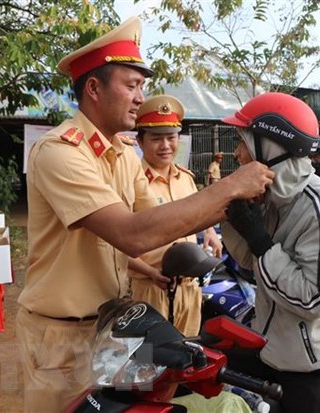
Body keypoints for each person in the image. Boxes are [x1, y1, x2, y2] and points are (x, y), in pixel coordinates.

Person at [16, 16, 273, 412]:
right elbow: (132, 234)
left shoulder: (122, 155)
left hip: (113, 329)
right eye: (131, 85)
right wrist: (230, 185)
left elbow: (163, 224)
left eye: (142, 87)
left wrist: (231, 212)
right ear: (94, 88)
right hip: (62, 336)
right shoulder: (60, 152)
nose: (140, 97)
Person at [220, 92, 320, 413]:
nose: (237, 153)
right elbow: (248, 261)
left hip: (315, 363)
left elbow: (313, 300)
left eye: (243, 141)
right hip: (273, 349)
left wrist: (260, 241)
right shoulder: (275, 197)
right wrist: (235, 217)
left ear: (271, 147)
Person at [128, 94, 222, 337]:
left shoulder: (186, 178)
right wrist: (149, 272)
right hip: (151, 288)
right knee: (148, 361)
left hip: (190, 288)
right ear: (140, 141)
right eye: (156, 139)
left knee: (187, 354)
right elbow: (113, 243)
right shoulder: (130, 182)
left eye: (171, 138)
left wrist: (210, 231)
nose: (166, 146)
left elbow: (197, 214)